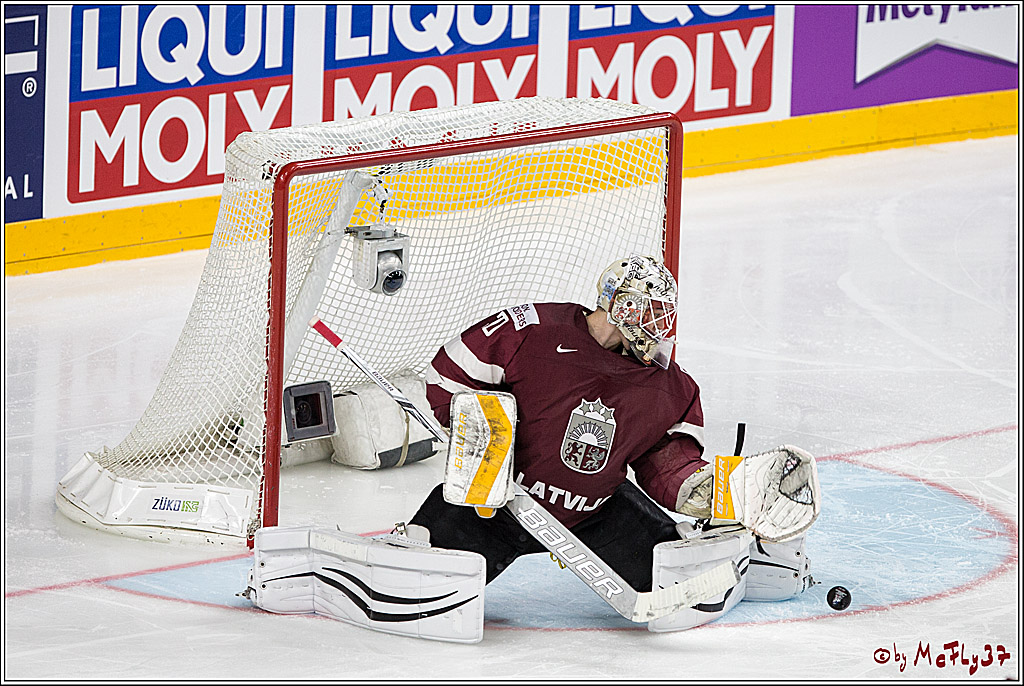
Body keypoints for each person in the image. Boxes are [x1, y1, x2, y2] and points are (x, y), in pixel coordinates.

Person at [405, 254, 716, 593]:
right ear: (623, 306)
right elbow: (450, 376)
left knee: (676, 582)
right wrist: (484, 445)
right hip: (498, 504)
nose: (659, 326)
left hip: (594, 513)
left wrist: (697, 488)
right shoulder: (534, 329)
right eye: (652, 312)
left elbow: (666, 459)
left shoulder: (667, 384)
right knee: (424, 586)